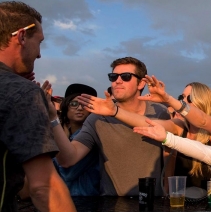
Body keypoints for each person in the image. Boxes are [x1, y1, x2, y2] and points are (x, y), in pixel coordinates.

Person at [0, 1, 80, 212]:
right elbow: (44, 187)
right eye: (40, 42)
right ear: (22, 36)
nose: (40, 55)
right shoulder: (20, 92)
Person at [79, 76, 211, 194]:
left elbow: (202, 121)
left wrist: (168, 99)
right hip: (182, 205)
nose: (183, 101)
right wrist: (115, 112)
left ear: (204, 101)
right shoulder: (179, 127)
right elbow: (147, 122)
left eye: (188, 98)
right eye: (181, 97)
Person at [53, 57, 171, 196]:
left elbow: (170, 151)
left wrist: (167, 188)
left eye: (126, 76)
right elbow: (68, 160)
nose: (118, 81)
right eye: (113, 76)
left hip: (153, 203)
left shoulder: (159, 112)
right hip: (113, 207)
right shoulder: (97, 118)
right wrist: (52, 120)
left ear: (141, 83)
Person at [54, 83, 100, 196]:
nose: (79, 108)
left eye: (85, 104)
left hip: (84, 199)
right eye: (74, 104)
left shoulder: (92, 136)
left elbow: (67, 172)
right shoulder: (61, 133)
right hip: (62, 199)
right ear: (65, 106)